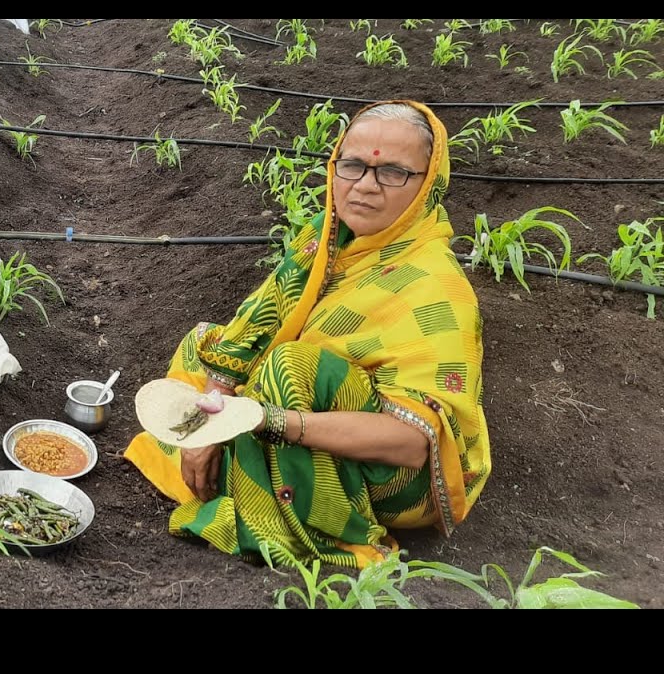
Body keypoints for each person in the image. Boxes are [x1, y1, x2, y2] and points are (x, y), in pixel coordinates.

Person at [124, 100, 490, 569]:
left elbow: (413, 443)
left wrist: (264, 419)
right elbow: (257, 321)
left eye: (393, 173)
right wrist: (209, 425)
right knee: (207, 346)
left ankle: (292, 518)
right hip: (316, 409)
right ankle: (241, 464)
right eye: (352, 165)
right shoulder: (328, 235)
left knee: (290, 366)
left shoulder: (436, 288)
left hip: (394, 478)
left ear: (429, 184)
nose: (364, 187)